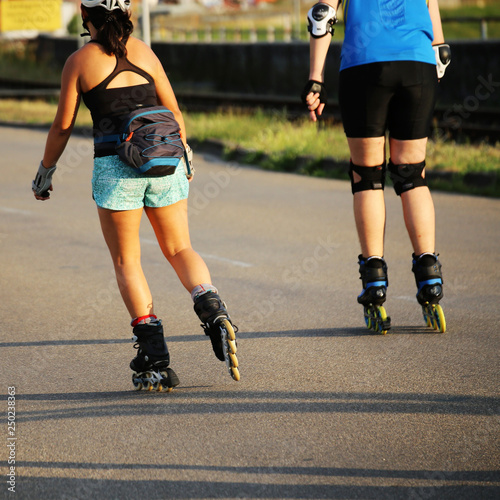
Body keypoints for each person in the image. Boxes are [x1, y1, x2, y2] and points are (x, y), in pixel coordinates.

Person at [32, 0, 240, 389]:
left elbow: (62, 127)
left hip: (116, 168)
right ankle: (213, 309)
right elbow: (174, 113)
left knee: (128, 259)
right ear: (128, 14)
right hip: (166, 161)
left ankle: (154, 355)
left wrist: (45, 172)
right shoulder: (145, 50)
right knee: (179, 248)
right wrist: (185, 157)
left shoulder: (79, 62)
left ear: (84, 15)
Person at [302, 0, 450, 333]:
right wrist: (437, 57)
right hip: (418, 61)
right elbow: (432, 6)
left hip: (365, 64)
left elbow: (321, 16)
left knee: (367, 176)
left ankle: (374, 282)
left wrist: (315, 79)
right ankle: (430, 279)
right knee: (411, 174)